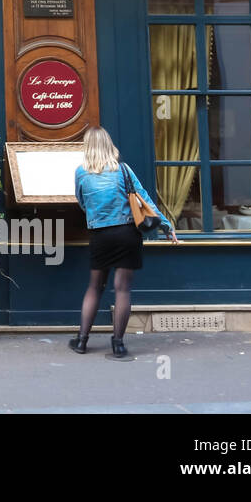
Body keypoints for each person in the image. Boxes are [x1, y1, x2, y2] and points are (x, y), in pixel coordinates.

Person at [70, 126, 179, 359]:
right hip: (127, 233)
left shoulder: (81, 172)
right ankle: (118, 344)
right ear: (109, 145)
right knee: (122, 290)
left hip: (100, 235)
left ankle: (81, 341)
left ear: (87, 147)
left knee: (94, 287)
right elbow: (144, 198)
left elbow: (81, 202)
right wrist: (166, 226)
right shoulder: (124, 170)